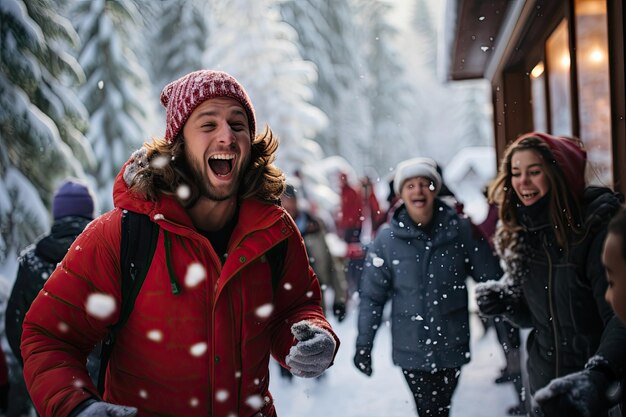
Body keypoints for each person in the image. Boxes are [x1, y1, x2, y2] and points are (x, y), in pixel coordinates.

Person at [20, 70, 339, 417]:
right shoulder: (123, 234)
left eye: (238, 124)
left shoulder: (275, 233)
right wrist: (77, 406)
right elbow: (49, 335)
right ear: (179, 144)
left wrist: (311, 337)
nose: (227, 137)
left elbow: (293, 309)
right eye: (207, 124)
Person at [475, 132, 626, 417]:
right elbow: (540, 316)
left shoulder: (596, 232)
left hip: (593, 393)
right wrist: (507, 303)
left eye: (534, 171)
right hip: (546, 390)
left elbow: (620, 317)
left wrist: (599, 374)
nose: (523, 182)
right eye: (516, 173)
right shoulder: (526, 232)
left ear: (559, 175)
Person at [353, 157, 503, 417]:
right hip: (411, 347)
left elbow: (490, 279)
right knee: (428, 409)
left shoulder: (460, 229)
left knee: (441, 408)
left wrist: (506, 318)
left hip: (452, 343)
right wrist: (363, 345)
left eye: (425, 184)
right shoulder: (386, 240)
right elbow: (371, 298)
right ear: (401, 194)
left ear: (435, 189)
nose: (418, 191)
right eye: (410, 185)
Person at [5, 178, 97, 417]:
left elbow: (15, 326)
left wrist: (39, 369)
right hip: (101, 386)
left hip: (50, 388)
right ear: (89, 213)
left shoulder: (32, 261)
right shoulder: (105, 254)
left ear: (57, 215)